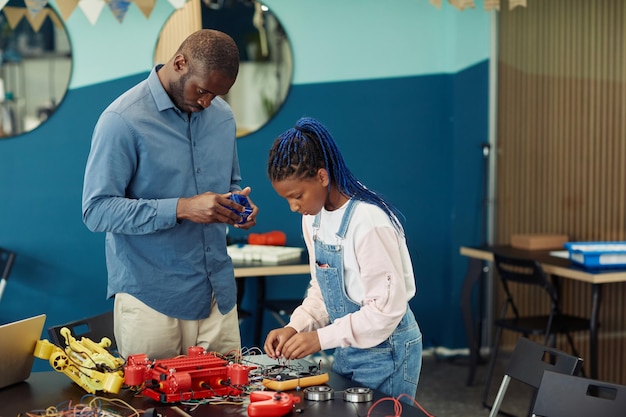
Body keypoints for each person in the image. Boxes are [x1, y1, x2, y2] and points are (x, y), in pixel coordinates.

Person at [82, 29, 258, 360]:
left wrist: (237, 205)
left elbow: (231, 182)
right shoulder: (121, 120)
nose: (207, 102)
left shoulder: (222, 116)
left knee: (228, 406)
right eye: (203, 91)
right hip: (151, 300)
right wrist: (181, 208)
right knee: (151, 409)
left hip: (217, 296)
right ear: (179, 63)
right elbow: (96, 210)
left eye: (217, 95)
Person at [264, 117, 422, 401]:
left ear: (322, 177)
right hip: (348, 345)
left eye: (297, 196)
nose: (293, 207)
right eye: (286, 199)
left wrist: (319, 339)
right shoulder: (312, 218)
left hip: (389, 350)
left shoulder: (369, 221)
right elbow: (322, 292)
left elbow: (384, 312)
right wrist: (295, 327)